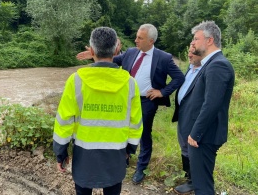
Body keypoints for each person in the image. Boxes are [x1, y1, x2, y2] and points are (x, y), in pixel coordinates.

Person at [77, 24, 185, 184]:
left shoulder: (164, 58)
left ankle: (141, 168)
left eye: (140, 38)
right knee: (124, 129)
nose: (136, 40)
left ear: (151, 40)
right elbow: (111, 60)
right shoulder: (131, 52)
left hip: (146, 101)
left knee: (143, 133)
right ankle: (124, 158)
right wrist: (95, 54)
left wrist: (162, 92)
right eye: (136, 36)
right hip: (125, 99)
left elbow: (179, 78)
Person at [53, 26, 143, 195]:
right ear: (117, 49)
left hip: (84, 156)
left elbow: (64, 120)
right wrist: (129, 150)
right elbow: (136, 122)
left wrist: (61, 153)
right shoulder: (130, 83)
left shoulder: (76, 80)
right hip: (116, 154)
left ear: (92, 50)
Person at [177, 21, 235, 195]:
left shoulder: (218, 65)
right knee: (201, 181)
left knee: (203, 185)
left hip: (204, 136)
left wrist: (196, 133)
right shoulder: (208, 64)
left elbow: (212, 103)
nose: (192, 43)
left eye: (196, 39)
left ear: (209, 40)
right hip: (202, 135)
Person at [171, 46, 202, 194]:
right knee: (184, 145)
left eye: (192, 53)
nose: (189, 55)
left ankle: (194, 182)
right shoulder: (191, 68)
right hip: (184, 113)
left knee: (192, 148)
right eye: (188, 52)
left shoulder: (204, 70)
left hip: (194, 116)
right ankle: (189, 177)